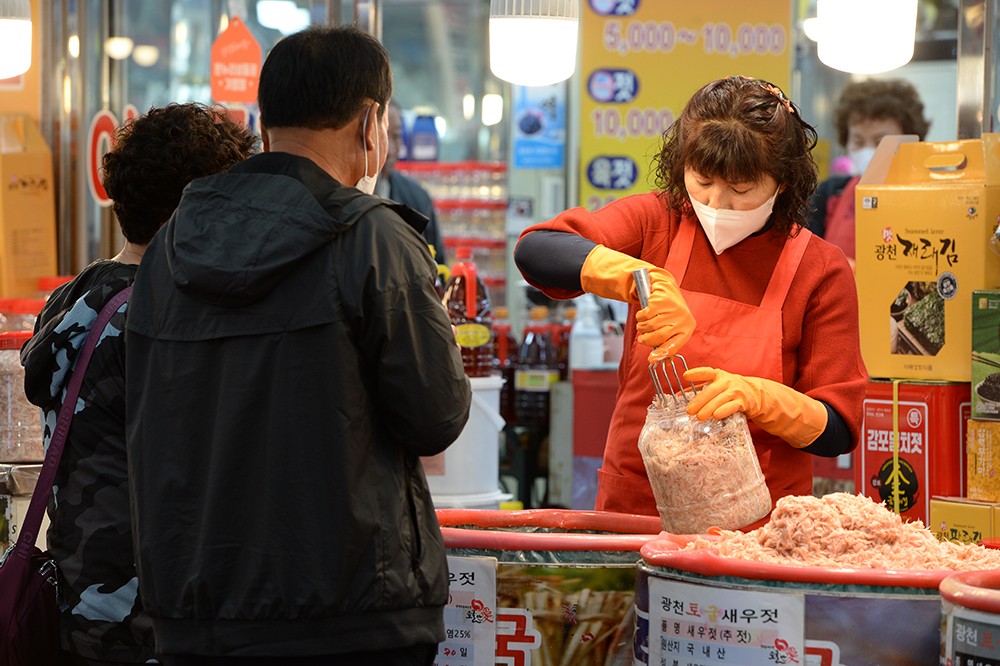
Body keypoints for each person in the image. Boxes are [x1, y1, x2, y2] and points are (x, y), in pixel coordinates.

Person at [124, 25, 472, 666]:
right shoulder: (375, 240)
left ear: (265, 122)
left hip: (195, 610)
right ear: (372, 123)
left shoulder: (171, 244)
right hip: (351, 616)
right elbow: (436, 415)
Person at [514, 76, 868, 521]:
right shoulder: (655, 222)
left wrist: (761, 398)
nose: (717, 203)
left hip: (758, 530)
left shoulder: (819, 269)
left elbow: (837, 429)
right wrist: (637, 277)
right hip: (637, 515)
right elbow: (537, 249)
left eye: (741, 190)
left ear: (783, 182)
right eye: (702, 181)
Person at [19, 103, 258, 665]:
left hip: (81, 601)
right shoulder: (161, 319)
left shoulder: (79, 295)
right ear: (200, 206)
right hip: (156, 613)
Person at [808, 78, 931, 263]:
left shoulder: (928, 198)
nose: (868, 151)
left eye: (880, 142)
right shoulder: (830, 194)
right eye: (858, 141)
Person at [377, 100, 447, 265]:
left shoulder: (418, 198)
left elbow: (439, 266)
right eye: (382, 136)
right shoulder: (349, 196)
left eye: (396, 136)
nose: (391, 149)